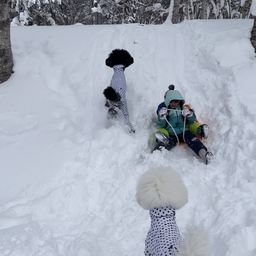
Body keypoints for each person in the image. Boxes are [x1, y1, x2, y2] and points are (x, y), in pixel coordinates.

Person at [153, 89, 213, 164]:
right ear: (168, 100)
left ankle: (204, 153)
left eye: (176, 101)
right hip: (171, 133)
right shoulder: (165, 111)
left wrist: (189, 115)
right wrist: (161, 117)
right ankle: (154, 155)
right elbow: (161, 125)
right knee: (166, 143)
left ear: (180, 101)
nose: (174, 103)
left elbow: (191, 121)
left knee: (193, 140)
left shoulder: (183, 109)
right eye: (171, 101)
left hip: (184, 131)